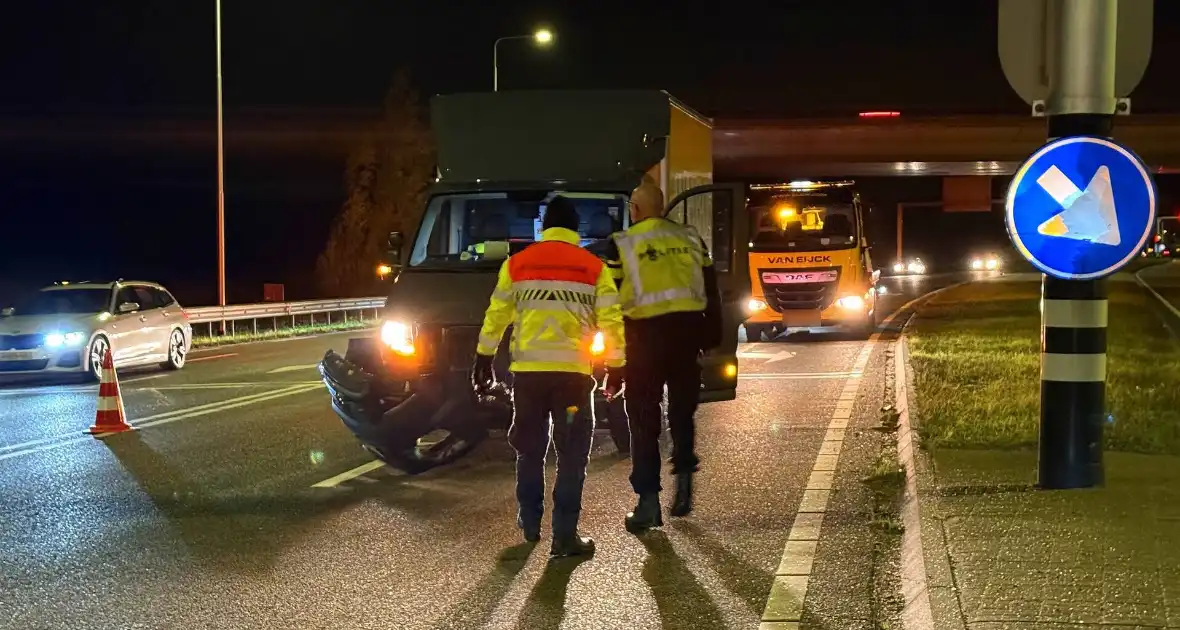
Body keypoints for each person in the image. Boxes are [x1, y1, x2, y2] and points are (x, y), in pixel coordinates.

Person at [472, 195, 626, 558]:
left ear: (544, 227)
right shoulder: (593, 267)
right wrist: (617, 368)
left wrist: (482, 356)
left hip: (528, 376)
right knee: (572, 454)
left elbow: (497, 315)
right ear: (575, 229)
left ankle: (529, 521)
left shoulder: (518, 264)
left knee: (529, 449)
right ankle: (564, 536)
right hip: (572, 376)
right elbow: (612, 322)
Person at [604, 180, 723, 532]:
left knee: (644, 419)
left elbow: (610, 301)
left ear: (635, 211)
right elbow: (712, 289)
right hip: (687, 335)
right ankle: (684, 481)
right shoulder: (690, 238)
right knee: (683, 410)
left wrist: (612, 356)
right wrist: (712, 334)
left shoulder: (622, 244)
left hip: (643, 338)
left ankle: (648, 503)